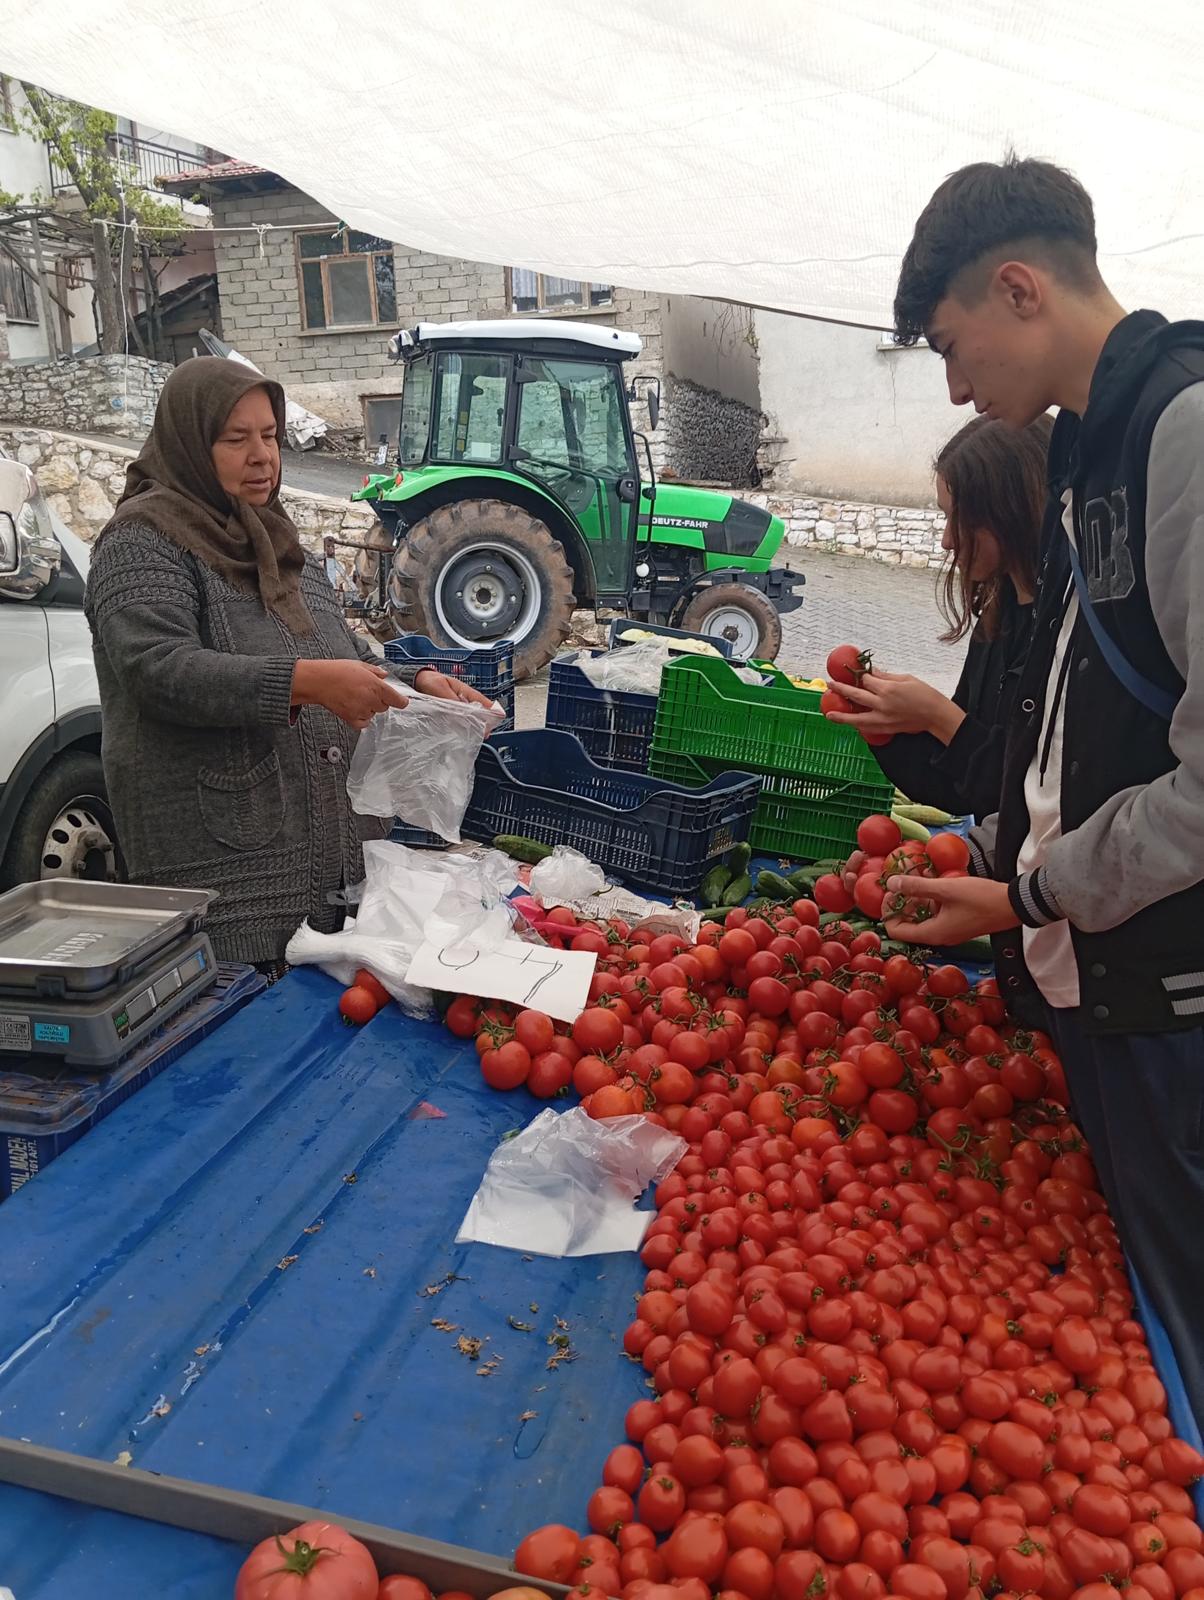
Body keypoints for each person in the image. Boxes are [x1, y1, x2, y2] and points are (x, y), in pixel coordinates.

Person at [881, 154, 1204, 1421]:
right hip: (1106, 960)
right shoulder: (1091, 451)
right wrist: (1019, 888)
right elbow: (1075, 708)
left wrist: (1031, 890)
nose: (957, 387)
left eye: (955, 348)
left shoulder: (1182, 430)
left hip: (1171, 977)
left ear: (1020, 287)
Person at [85, 357, 491, 971]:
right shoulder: (141, 541)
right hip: (228, 874)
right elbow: (157, 671)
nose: (261, 456)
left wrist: (416, 682)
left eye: (270, 435)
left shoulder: (274, 539)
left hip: (326, 870)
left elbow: (339, 654)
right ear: (189, 443)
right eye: (235, 438)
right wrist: (306, 685)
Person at [825, 413, 1050, 820]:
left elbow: (1036, 796)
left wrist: (938, 716)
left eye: (959, 518)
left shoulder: (1069, 632)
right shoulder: (996, 617)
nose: (947, 540)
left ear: (1011, 511)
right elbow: (960, 788)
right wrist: (884, 728)